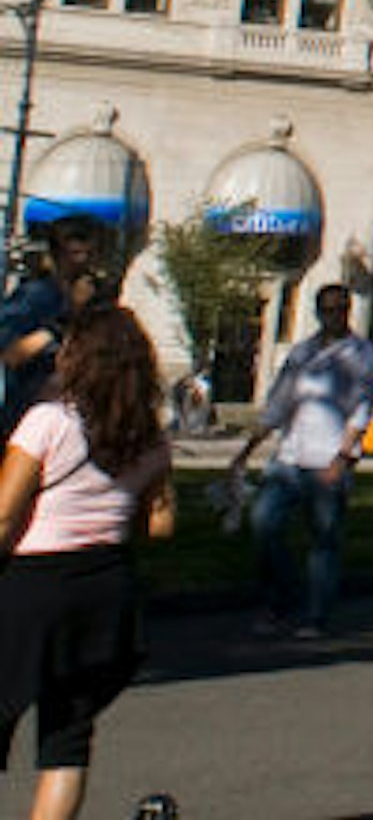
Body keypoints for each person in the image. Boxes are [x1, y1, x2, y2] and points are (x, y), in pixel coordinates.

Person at [0, 303, 173, 820]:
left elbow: (4, 516)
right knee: (67, 741)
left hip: (32, 586)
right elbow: (161, 526)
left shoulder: (47, 423)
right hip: (106, 587)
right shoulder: (149, 438)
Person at [232, 282, 373, 637]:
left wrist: (342, 458)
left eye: (341, 308)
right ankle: (281, 597)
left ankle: (315, 614)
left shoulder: (362, 353)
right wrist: (247, 449)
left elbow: (362, 409)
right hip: (290, 455)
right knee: (264, 522)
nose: (334, 315)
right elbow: (279, 404)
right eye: (327, 309)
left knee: (323, 537)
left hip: (328, 457)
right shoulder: (302, 352)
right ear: (317, 312)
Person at [0, 223, 109, 446]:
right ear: (56, 256)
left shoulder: (90, 299)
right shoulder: (36, 296)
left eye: (91, 254)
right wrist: (63, 321)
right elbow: (11, 355)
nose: (84, 262)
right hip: (25, 414)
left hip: (70, 415)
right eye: (76, 254)